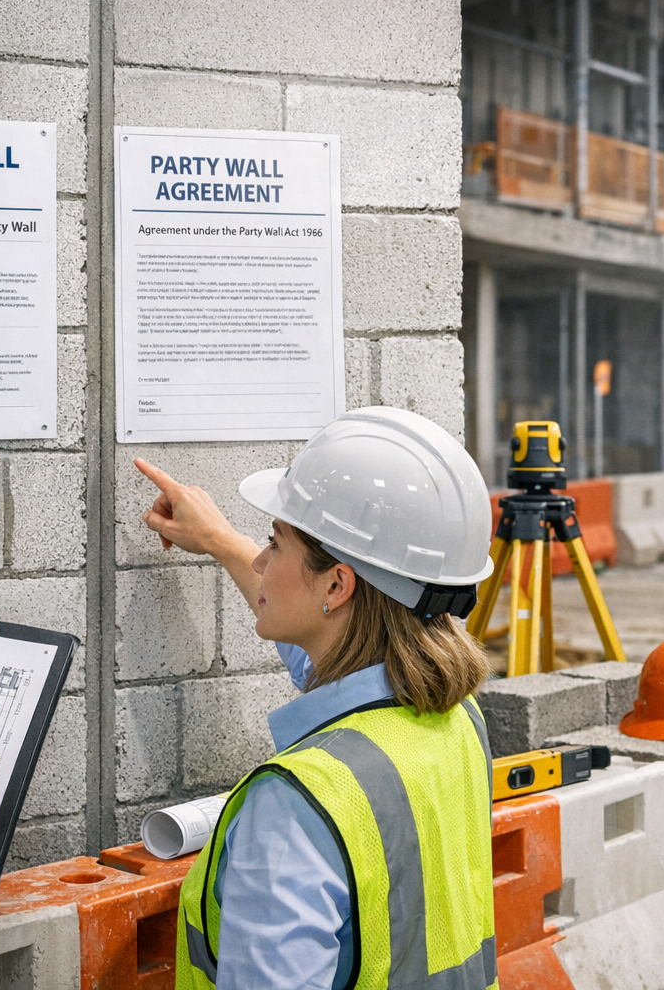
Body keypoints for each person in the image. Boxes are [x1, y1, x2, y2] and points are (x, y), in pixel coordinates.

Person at [136, 406, 499, 990]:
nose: (259, 560)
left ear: (337, 585)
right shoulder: (457, 719)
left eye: (274, 544)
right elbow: (329, 656)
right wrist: (221, 541)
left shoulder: (293, 807)